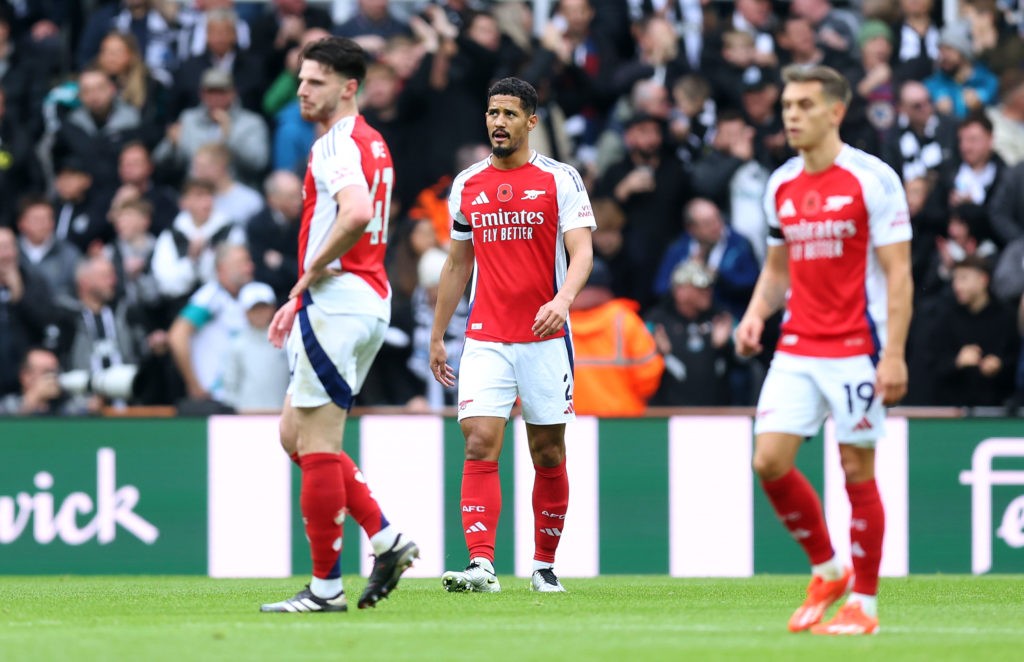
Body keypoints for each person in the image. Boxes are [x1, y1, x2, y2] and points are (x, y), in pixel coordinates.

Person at [734, 65, 913, 636]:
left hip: (859, 348)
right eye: (787, 104)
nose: (792, 114)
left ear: (835, 111)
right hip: (796, 346)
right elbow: (776, 267)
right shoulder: (780, 183)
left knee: (855, 467)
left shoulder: (872, 179)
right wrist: (756, 313)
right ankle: (827, 569)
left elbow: (899, 273)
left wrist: (895, 354)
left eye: (805, 105)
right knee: (769, 461)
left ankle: (865, 601)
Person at [260, 36, 419, 614]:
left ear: (348, 87)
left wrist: (308, 275)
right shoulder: (373, 142)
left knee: (320, 442)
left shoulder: (334, 144)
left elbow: (354, 213)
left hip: (338, 300)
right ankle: (385, 537)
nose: (302, 90)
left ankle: (326, 587)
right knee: (293, 436)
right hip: (362, 298)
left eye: (315, 82)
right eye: (301, 80)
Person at [429, 77, 595, 593]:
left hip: (545, 337)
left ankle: (544, 566)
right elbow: (457, 264)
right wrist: (437, 336)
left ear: (531, 122)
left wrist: (562, 301)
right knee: (479, 440)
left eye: (508, 113)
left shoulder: (559, 179)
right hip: (486, 336)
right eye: (491, 112)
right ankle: (481, 564)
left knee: (547, 451)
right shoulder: (467, 184)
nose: (498, 122)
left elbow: (583, 251)